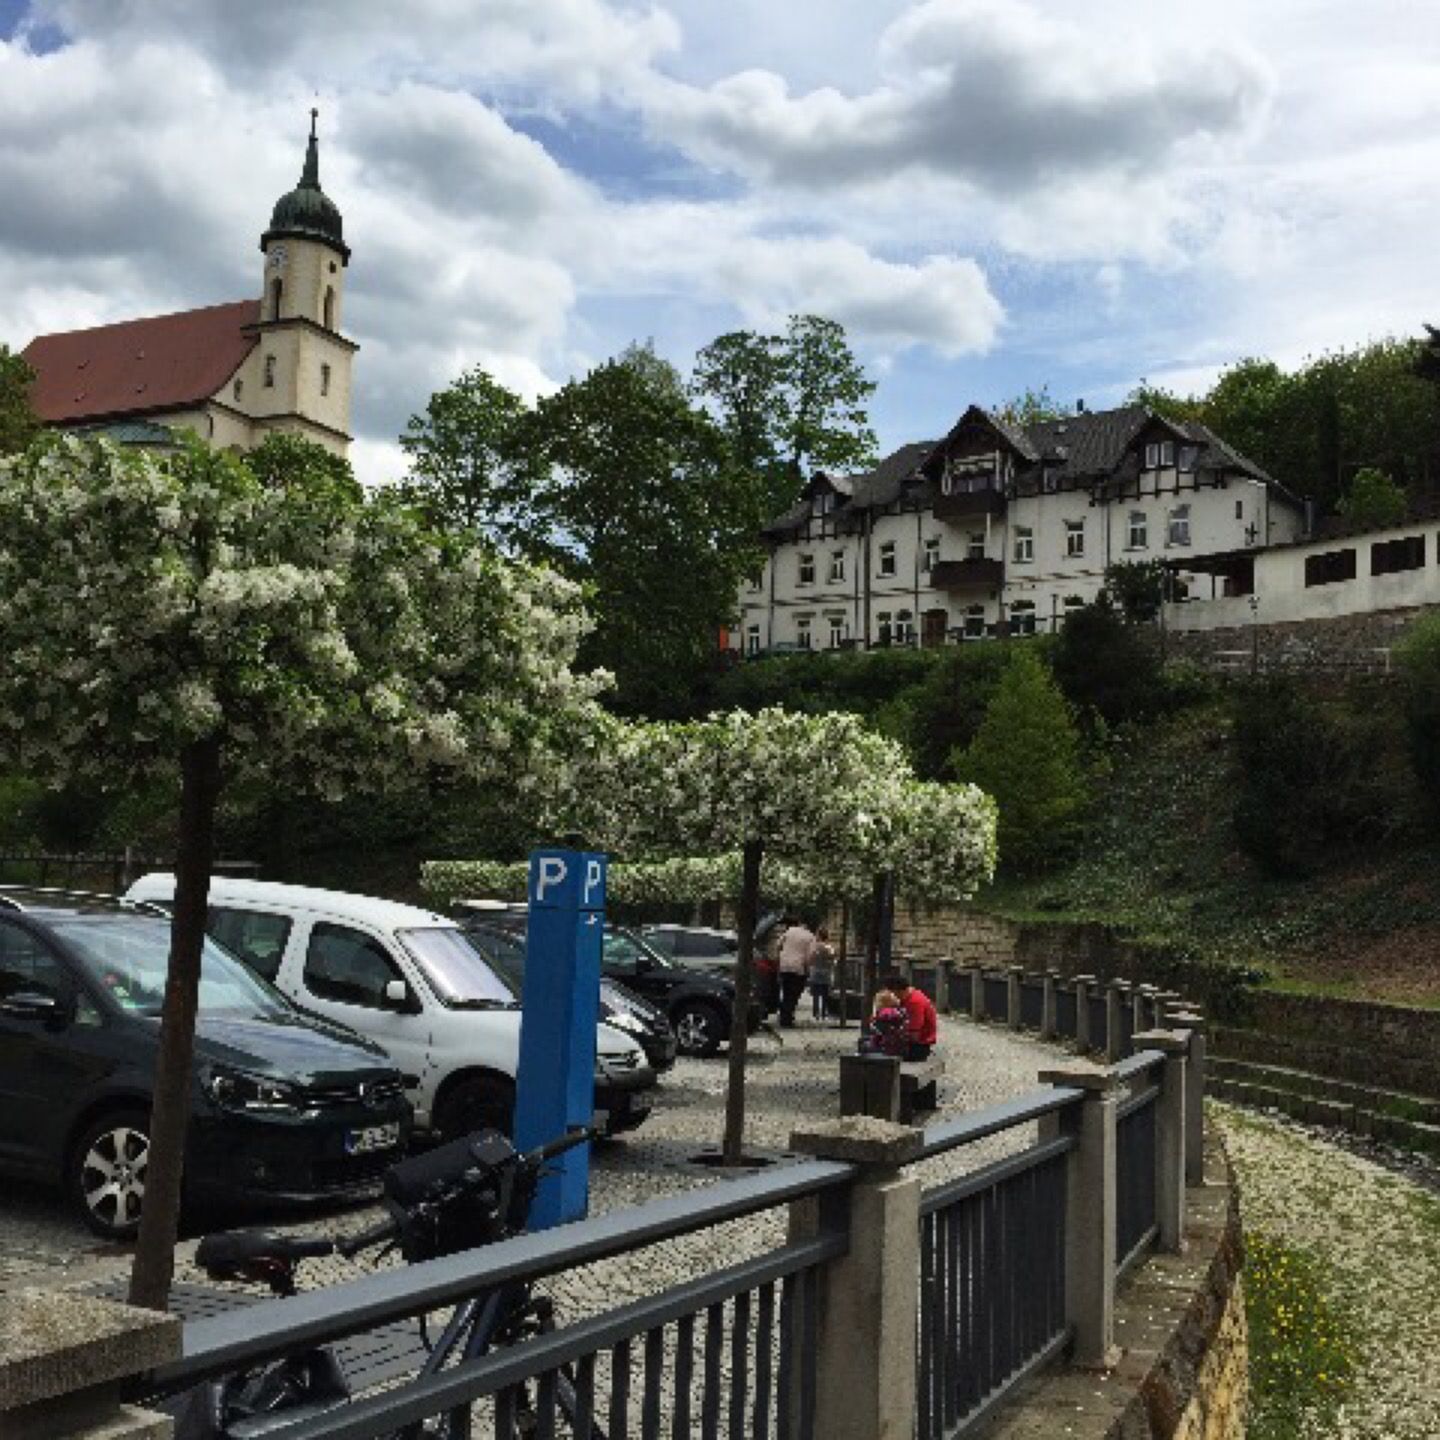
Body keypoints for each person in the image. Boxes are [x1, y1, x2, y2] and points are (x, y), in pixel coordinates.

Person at [882, 971, 938, 1061]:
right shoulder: (909, 996)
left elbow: (914, 1034)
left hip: (917, 1047)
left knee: (876, 1050)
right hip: (913, 1043)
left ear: (897, 990)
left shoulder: (914, 1002)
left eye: (891, 992)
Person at [775, 914, 815, 1028]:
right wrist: (807, 968)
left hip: (784, 966)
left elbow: (778, 945)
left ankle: (784, 1016)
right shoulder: (810, 936)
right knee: (794, 994)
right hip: (798, 968)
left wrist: (781, 956)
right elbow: (810, 956)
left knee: (786, 991)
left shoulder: (789, 931)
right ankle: (787, 1017)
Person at [859, 988, 908, 1057]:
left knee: (863, 1045)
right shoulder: (899, 1011)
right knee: (865, 1040)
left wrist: (874, 1019)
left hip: (888, 1047)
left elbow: (880, 1033)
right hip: (897, 1045)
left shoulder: (885, 1014)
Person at [808, 927, 835, 1020]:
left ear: (819, 936)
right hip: (826, 973)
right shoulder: (829, 947)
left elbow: (810, 958)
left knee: (815, 994)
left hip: (815, 971)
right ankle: (824, 1012)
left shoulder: (814, 946)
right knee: (825, 994)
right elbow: (833, 959)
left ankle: (815, 1013)